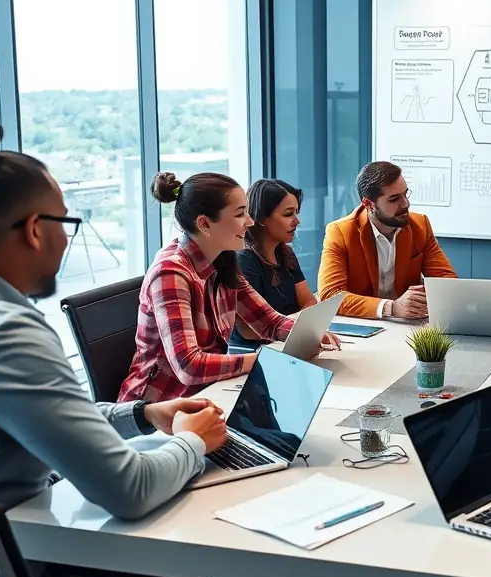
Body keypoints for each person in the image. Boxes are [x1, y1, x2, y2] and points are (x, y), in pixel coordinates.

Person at [0, 115, 269, 577]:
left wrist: (143, 414)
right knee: (250, 564)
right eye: (66, 224)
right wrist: (192, 443)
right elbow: (127, 491)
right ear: (34, 228)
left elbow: (42, 416)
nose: (63, 239)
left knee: (175, 569)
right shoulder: (5, 332)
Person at [119, 172, 338, 404]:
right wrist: (266, 360)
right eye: (240, 214)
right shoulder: (170, 272)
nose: (250, 221)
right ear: (204, 224)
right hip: (161, 409)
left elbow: (268, 322)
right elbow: (188, 366)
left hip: (209, 396)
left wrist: (308, 335)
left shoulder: (223, 260)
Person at [317, 160, 457, 319]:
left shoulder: (420, 226)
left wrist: (423, 299)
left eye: (406, 193)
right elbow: (330, 296)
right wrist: (390, 307)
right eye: (394, 199)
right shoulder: (340, 232)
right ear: (368, 203)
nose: (406, 204)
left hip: (408, 323)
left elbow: (448, 283)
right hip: (362, 323)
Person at [236, 178, 315, 318]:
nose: (297, 221)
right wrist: (297, 323)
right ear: (260, 218)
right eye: (288, 214)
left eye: (296, 213)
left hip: (286, 337)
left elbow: (310, 302)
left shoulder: (286, 253)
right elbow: (258, 323)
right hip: (263, 340)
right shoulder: (244, 260)